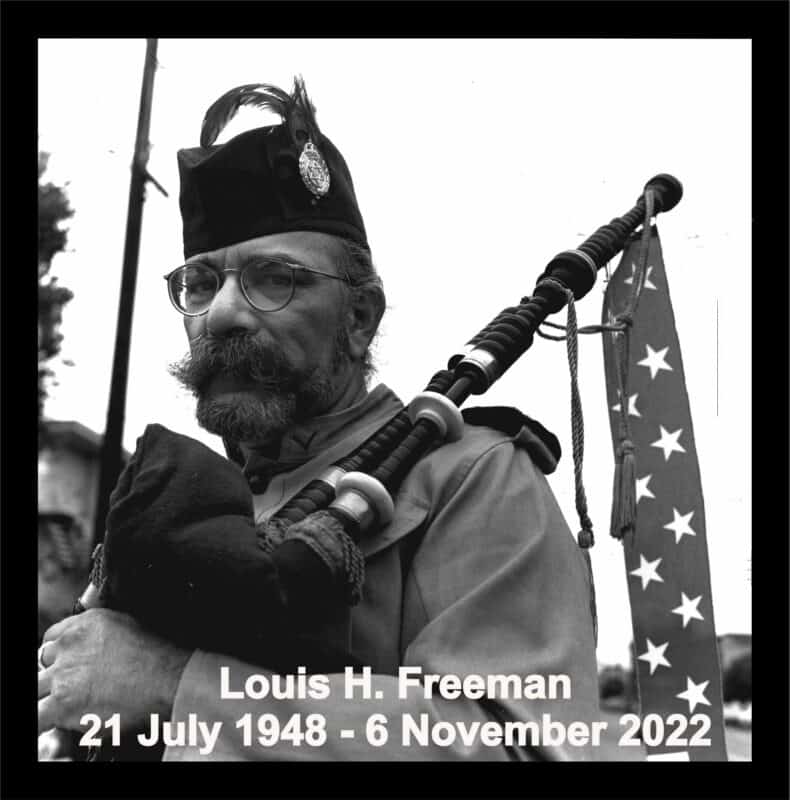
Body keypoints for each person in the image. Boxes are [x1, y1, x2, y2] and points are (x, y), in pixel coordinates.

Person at [37, 77, 601, 761]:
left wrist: (174, 685)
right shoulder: (189, 501)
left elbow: (524, 750)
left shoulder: (474, 477)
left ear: (360, 318)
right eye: (200, 282)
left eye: (275, 277)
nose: (220, 313)